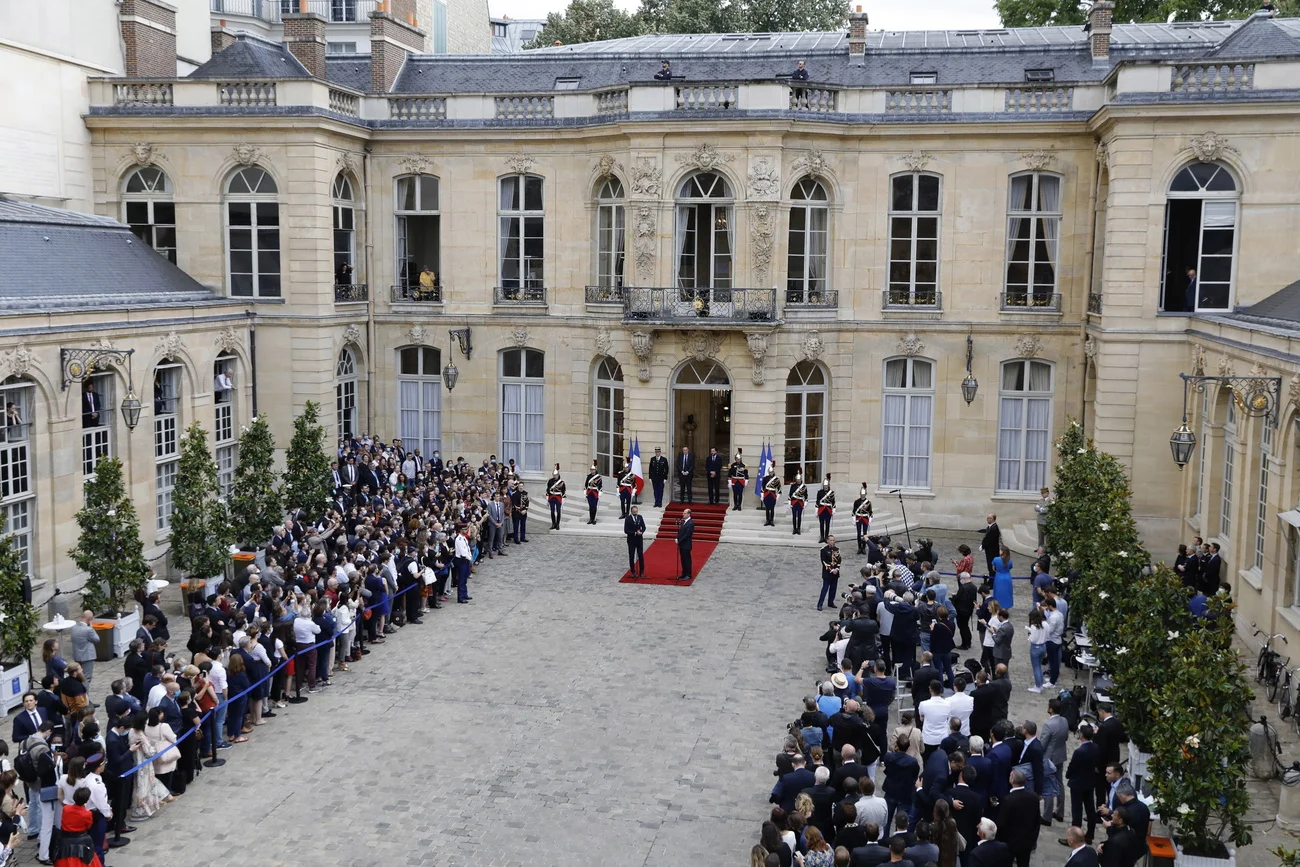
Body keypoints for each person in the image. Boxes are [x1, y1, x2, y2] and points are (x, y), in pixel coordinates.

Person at [996, 769, 1040, 867]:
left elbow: (1001, 822)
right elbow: (1037, 820)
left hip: (1010, 842)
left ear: (1012, 780)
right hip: (1027, 840)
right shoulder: (1033, 797)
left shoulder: (1008, 800)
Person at [71, 611, 100, 686]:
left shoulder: (74, 627)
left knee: (78, 676)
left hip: (77, 655)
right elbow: (97, 639)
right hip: (87, 656)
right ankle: (84, 696)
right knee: (86, 678)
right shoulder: (88, 630)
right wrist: (91, 628)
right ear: (90, 619)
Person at [1025, 609, 1047, 693]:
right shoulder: (1045, 624)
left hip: (1035, 648)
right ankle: (1040, 684)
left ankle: (1038, 686)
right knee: (1039, 666)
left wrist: (1029, 635)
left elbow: (1033, 639)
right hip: (1043, 646)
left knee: (1036, 667)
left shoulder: (1034, 627)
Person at [819, 536, 842, 611]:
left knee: (833, 589)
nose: (832, 542)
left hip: (835, 573)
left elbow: (839, 560)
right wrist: (831, 569)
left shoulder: (837, 549)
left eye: (833, 540)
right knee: (825, 589)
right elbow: (824, 562)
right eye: (831, 540)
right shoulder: (824, 550)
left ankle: (831, 602)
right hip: (827, 573)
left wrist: (837, 569)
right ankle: (820, 604)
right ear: (827, 541)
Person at [624, 504, 646, 577]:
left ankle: (642, 571)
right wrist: (634, 533)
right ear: (631, 512)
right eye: (634, 512)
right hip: (631, 540)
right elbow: (626, 530)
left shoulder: (640, 517)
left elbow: (644, 527)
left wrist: (641, 532)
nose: (635, 513)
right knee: (631, 556)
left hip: (639, 540)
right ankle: (633, 571)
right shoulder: (628, 519)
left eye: (636, 512)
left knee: (640, 555)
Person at [817, 476, 837, 543]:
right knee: (821, 524)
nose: (825, 486)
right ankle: (822, 537)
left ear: (828, 485)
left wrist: (834, 509)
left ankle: (826, 537)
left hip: (828, 510)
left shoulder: (831, 493)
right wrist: (816, 509)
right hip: (821, 509)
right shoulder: (820, 492)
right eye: (824, 485)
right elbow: (817, 501)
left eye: (826, 485)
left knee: (827, 524)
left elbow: (833, 502)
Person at [676, 508, 694, 581]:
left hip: (686, 544)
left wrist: (679, 540)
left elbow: (687, 535)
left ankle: (688, 574)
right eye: (683, 513)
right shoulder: (684, 522)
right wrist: (677, 538)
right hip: (682, 544)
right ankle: (684, 573)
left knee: (687, 560)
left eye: (685, 513)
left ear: (689, 514)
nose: (683, 514)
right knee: (683, 559)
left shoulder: (690, 523)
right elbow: (680, 532)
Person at [791, 471, 809, 535]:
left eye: (799, 479)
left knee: (799, 516)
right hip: (794, 502)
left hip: (800, 503)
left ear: (801, 479)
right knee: (794, 516)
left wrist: (805, 503)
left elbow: (806, 496)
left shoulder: (804, 487)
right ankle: (794, 528)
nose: (798, 481)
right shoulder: (793, 486)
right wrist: (789, 502)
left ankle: (798, 529)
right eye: (797, 480)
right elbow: (790, 494)